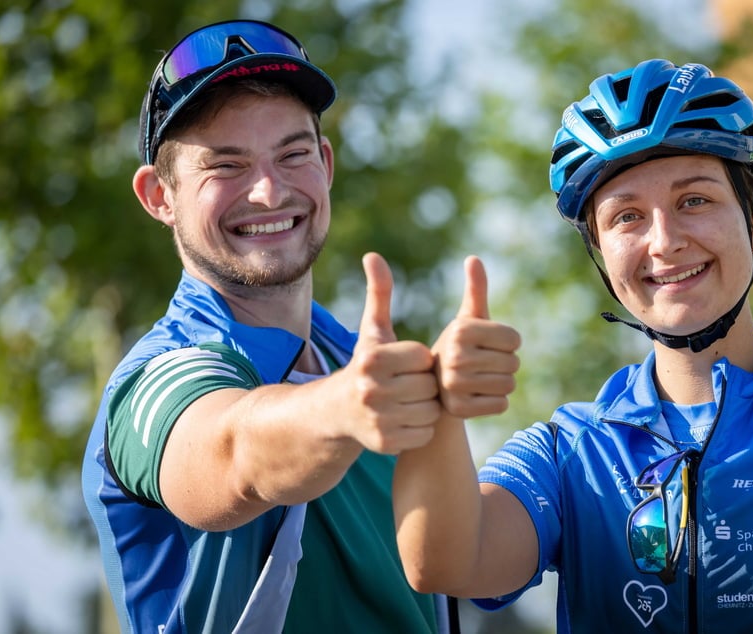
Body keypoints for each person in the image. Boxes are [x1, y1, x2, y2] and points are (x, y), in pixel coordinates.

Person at [394, 59, 753, 633]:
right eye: (627, 216)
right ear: (601, 254)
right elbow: (446, 561)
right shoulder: (569, 452)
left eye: (694, 200)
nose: (665, 242)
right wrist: (441, 414)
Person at [80, 19, 518, 633]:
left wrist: (443, 409)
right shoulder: (160, 374)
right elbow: (234, 452)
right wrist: (344, 407)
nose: (267, 190)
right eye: (224, 165)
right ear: (160, 196)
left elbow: (456, 570)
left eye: (292, 154)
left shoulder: (369, 365)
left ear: (327, 164)